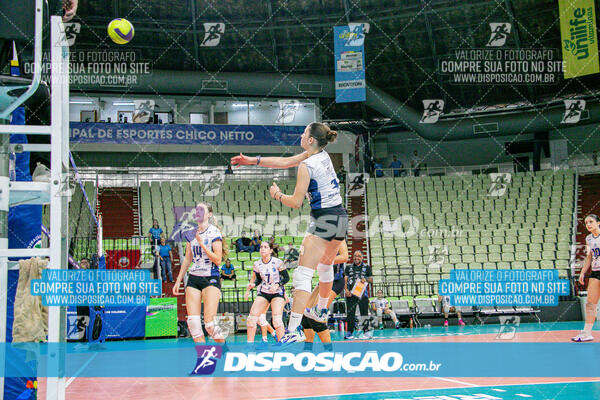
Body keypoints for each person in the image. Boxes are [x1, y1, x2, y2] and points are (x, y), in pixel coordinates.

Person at [232, 122, 348, 344]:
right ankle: (321, 310)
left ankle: (293, 330)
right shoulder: (321, 155)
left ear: (311, 139)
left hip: (323, 218)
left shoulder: (307, 165)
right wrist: (253, 161)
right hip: (340, 217)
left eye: (305, 133)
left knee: (302, 275)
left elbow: (295, 202)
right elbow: (285, 162)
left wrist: (277, 195)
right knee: (325, 265)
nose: (302, 135)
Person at [172, 203, 228, 351]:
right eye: (196, 210)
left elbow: (217, 259)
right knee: (194, 324)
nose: (198, 212)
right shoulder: (190, 233)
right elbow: (187, 259)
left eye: (201, 209)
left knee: (209, 324)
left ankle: (224, 347)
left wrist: (203, 245)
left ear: (209, 214)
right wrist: (178, 280)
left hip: (210, 277)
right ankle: (204, 359)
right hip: (194, 278)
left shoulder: (214, 232)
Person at [244, 241, 289, 343]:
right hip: (264, 293)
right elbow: (259, 279)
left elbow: (286, 278)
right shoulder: (257, 264)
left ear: (270, 250)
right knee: (251, 320)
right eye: (261, 247)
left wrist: (278, 284)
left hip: (277, 293)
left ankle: (282, 344)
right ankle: (249, 345)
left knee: (277, 320)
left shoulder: (278, 262)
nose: (262, 249)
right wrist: (253, 284)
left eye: (265, 247)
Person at [572, 214, 600, 342]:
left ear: (598, 223)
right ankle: (587, 333)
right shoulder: (589, 238)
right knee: (590, 304)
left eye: (591, 222)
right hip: (595, 272)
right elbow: (589, 256)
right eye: (586, 222)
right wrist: (583, 272)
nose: (588, 224)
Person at [344, 250, 373, 339]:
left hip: (362, 295)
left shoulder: (367, 267)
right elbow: (345, 280)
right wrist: (346, 290)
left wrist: (366, 279)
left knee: (364, 313)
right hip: (351, 295)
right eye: (355, 256)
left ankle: (366, 332)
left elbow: (371, 280)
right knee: (350, 314)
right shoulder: (348, 268)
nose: (356, 258)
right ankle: (350, 332)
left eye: (359, 256)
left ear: (362, 257)